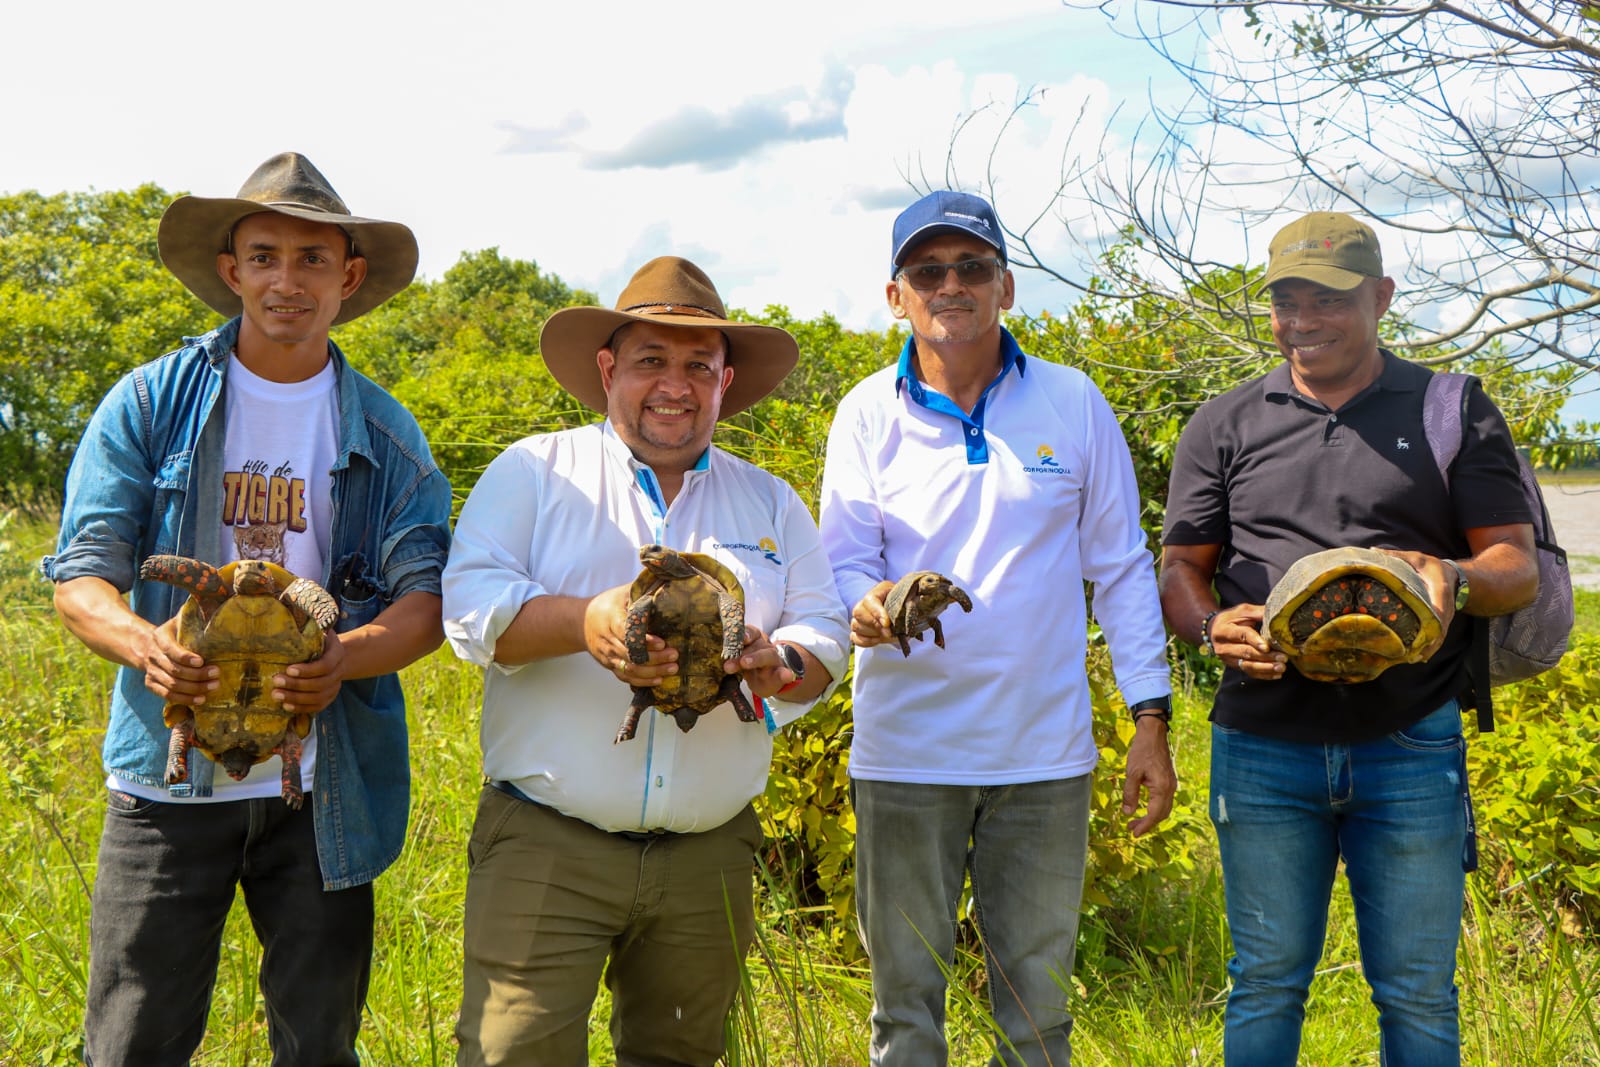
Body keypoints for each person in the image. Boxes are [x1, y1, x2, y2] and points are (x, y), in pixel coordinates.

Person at [42, 152, 453, 1066]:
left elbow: (425, 599)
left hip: (323, 784)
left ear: (349, 277)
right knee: (133, 1040)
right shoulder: (150, 403)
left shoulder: (386, 436)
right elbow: (81, 576)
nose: (286, 280)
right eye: (264, 255)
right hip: (167, 777)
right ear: (232, 270)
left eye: (313, 260)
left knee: (318, 1043)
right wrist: (149, 645)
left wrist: (344, 658)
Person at [442, 255, 850, 1066]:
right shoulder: (533, 471)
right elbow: (470, 609)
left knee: (682, 1056)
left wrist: (784, 663)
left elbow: (826, 630)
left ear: (726, 379)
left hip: (710, 853)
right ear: (607, 369)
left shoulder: (769, 499)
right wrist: (588, 620)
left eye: (699, 364)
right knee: (512, 1052)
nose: (676, 384)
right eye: (651, 360)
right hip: (549, 842)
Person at [1160, 211, 1539, 1065]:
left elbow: (1517, 566)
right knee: (1265, 979)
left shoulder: (1451, 409)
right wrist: (1209, 623)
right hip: (1262, 742)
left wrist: (1454, 580)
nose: (1301, 320)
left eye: (1325, 299)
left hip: (1409, 736)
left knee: (1416, 990)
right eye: (1285, 300)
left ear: (1381, 297)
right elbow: (1180, 568)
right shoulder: (1226, 422)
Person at [819, 190, 1177, 1066]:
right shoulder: (867, 414)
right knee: (905, 1017)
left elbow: (1122, 568)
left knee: (1039, 1016)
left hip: (1044, 761)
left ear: (1007, 287)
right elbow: (840, 564)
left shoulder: (1074, 402)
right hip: (905, 757)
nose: (952, 285)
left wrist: (1150, 718)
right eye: (927, 270)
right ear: (896, 294)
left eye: (972, 267)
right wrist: (866, 606)